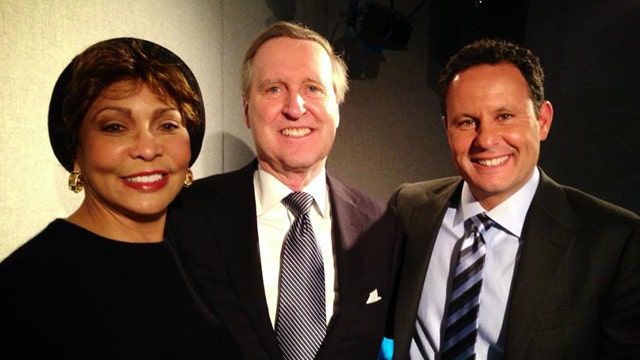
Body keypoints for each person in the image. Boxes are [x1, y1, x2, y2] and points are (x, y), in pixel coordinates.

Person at [389, 38, 640, 359]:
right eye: (466, 122)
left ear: (543, 120)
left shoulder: (614, 241)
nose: (487, 139)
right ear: (447, 128)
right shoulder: (409, 207)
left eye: (505, 116)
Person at [166, 21, 402, 360]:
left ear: (337, 108)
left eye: (313, 89)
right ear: (247, 110)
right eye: (274, 89)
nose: (295, 108)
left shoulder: (381, 225)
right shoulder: (187, 215)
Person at [0, 37, 242, 359]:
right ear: (75, 151)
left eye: (167, 124)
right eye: (115, 126)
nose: (147, 148)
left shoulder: (197, 258)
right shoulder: (24, 289)